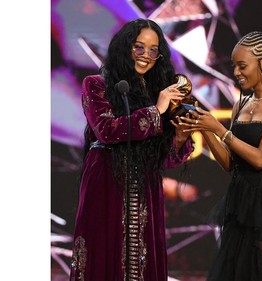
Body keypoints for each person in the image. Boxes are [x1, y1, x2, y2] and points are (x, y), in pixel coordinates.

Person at [69, 18, 194, 281]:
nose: (146, 56)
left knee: (142, 261)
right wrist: (156, 110)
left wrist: (181, 136)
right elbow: (107, 130)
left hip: (146, 188)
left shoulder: (157, 91)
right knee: (104, 255)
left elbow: (166, 160)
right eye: (139, 47)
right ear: (125, 47)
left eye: (153, 50)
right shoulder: (96, 84)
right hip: (106, 183)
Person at [179, 31, 262, 280]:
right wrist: (205, 130)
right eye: (234, 66)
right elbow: (230, 163)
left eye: (242, 66)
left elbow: (261, 159)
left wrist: (219, 129)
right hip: (238, 206)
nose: (236, 73)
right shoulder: (241, 104)